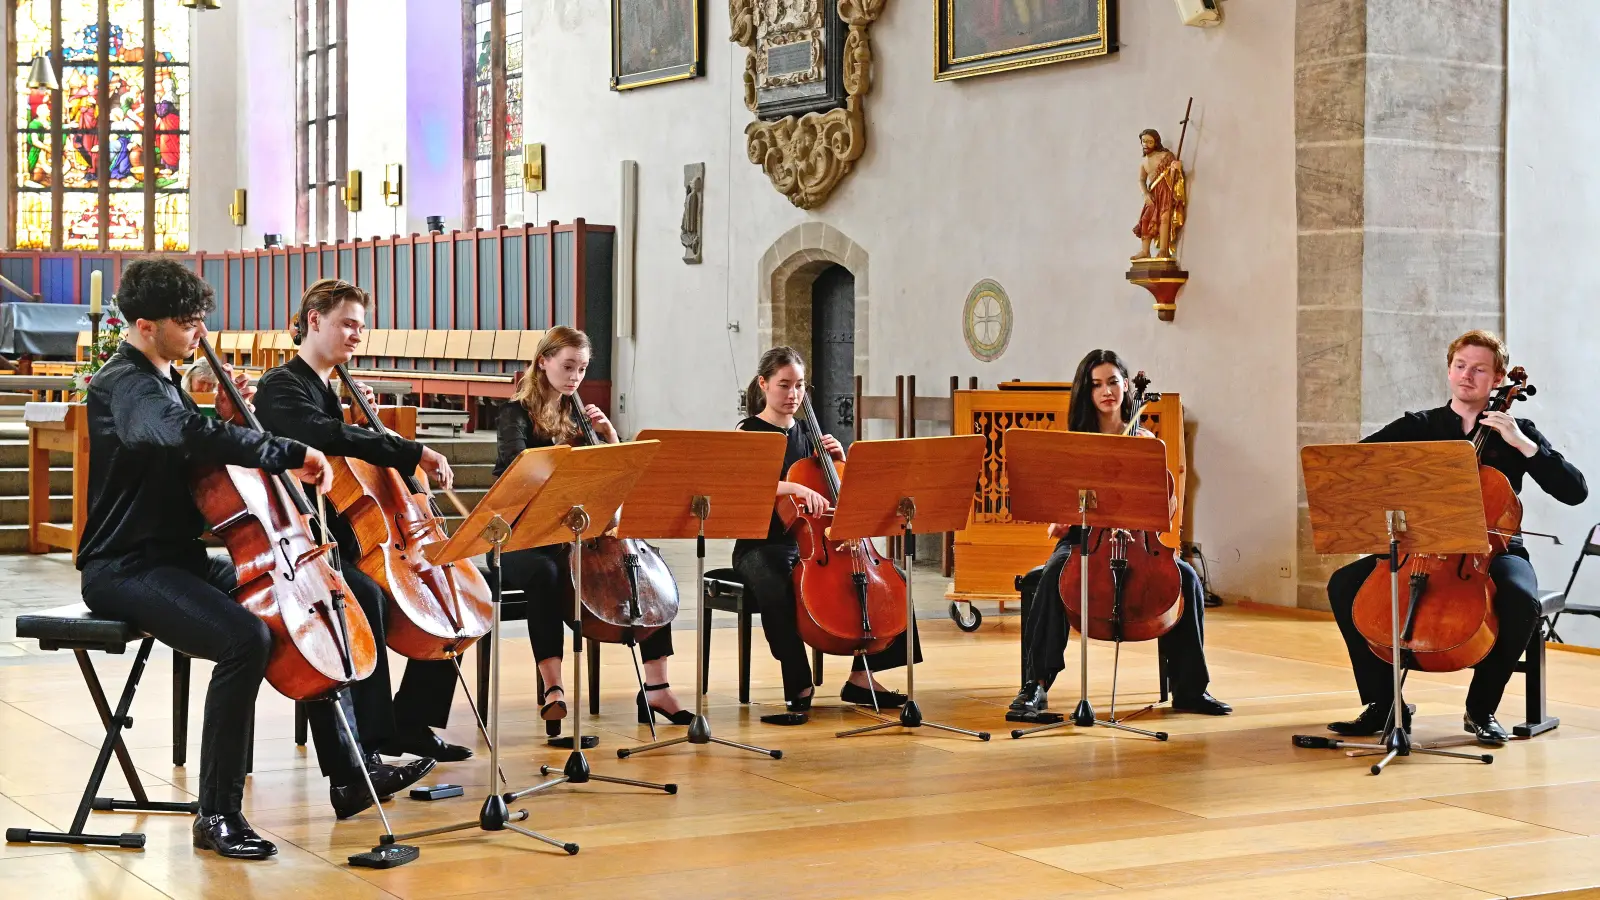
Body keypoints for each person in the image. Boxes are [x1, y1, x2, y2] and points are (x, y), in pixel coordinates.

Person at [75, 259, 338, 859]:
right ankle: (216, 813)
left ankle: (350, 772)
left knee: (296, 603)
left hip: (177, 560)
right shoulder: (126, 384)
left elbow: (190, 454)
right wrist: (282, 450)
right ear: (145, 325)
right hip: (124, 569)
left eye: (199, 318)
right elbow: (177, 433)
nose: (199, 330)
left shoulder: (162, 377)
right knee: (245, 638)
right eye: (186, 321)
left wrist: (223, 415)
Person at [253, 278, 470, 819]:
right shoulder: (281, 385)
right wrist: (410, 450)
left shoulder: (328, 384)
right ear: (313, 320)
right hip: (297, 541)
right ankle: (363, 757)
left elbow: (343, 443)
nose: (357, 333)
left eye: (360, 325)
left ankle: (402, 729)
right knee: (366, 599)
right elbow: (325, 437)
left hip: (339, 535)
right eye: (347, 323)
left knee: (439, 590)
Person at [1324, 330, 1587, 745]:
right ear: (1449, 371)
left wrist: (1522, 444)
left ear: (1498, 378)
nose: (1467, 376)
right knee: (1343, 585)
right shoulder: (1419, 426)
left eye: (1480, 369)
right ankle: (1382, 704)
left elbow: (1575, 491)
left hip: (1491, 550)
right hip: (1420, 546)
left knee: (1521, 600)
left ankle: (1481, 709)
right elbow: (1357, 468)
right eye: (1461, 366)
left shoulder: (1517, 431)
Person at [1010, 349, 1230, 718]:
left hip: (1137, 540)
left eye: (1113, 381)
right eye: (1096, 384)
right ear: (1087, 392)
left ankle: (1191, 689)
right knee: (1053, 576)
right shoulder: (1076, 443)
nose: (1106, 391)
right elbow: (1057, 506)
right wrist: (1063, 517)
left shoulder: (1145, 440)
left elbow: (1165, 509)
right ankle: (1035, 687)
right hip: (1083, 539)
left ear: (1128, 386)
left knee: (1188, 578)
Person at [494, 326, 690, 727]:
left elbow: (614, 477)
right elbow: (519, 475)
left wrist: (609, 436)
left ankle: (657, 688)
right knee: (546, 574)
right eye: (568, 367)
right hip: (522, 539)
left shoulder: (580, 416)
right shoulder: (514, 415)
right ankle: (553, 686)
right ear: (543, 362)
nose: (575, 378)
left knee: (648, 571)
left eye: (582, 370)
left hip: (579, 536)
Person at [733, 346, 922, 726]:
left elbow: (845, 499)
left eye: (799, 386)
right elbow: (748, 487)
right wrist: (793, 489)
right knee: (775, 585)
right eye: (784, 385)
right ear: (763, 384)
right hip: (764, 542)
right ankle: (798, 686)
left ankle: (862, 676)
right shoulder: (749, 432)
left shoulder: (812, 435)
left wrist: (842, 465)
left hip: (819, 543)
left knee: (895, 578)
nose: (793, 394)